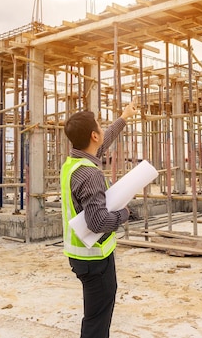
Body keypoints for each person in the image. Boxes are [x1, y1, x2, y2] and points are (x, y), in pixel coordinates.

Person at [60, 100, 138, 338]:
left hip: (81, 255)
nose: (103, 130)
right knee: (97, 321)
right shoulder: (90, 174)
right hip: (95, 259)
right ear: (93, 135)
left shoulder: (74, 163)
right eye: (100, 128)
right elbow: (98, 222)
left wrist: (124, 117)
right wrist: (125, 213)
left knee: (95, 315)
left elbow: (103, 142)